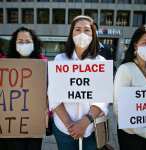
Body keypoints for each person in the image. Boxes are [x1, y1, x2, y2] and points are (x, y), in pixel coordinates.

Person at [49, 15, 108, 150]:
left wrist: (85, 122)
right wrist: (70, 125)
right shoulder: (60, 60)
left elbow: (102, 98)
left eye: (87, 30)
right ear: (71, 33)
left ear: (93, 34)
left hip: (91, 128)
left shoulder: (101, 62)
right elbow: (54, 95)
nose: (82, 33)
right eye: (77, 29)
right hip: (64, 128)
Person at [7, 27, 47, 150]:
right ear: (14, 44)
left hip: (33, 123)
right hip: (10, 123)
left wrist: (47, 112)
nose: (24, 44)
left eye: (28, 41)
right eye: (20, 41)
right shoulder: (5, 64)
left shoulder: (43, 65)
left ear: (34, 43)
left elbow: (50, 92)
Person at [114, 24, 146, 150]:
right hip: (132, 138)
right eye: (145, 43)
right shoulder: (126, 69)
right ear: (135, 45)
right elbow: (118, 109)